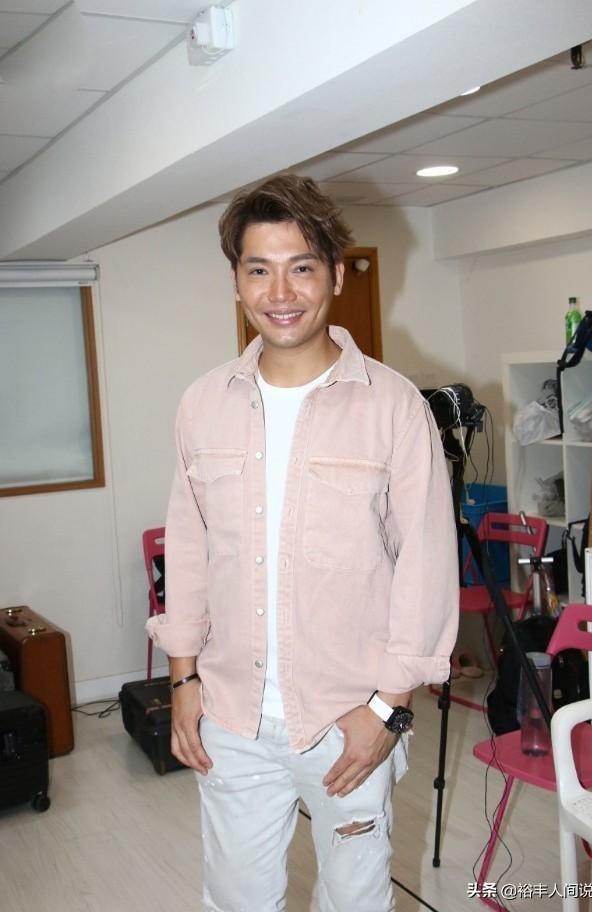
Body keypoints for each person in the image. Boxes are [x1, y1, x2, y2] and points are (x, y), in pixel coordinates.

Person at [147, 173, 459, 912]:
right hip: (231, 715)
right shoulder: (202, 404)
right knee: (236, 899)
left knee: (356, 899)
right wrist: (183, 683)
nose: (280, 293)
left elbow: (425, 569)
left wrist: (388, 710)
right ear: (236, 282)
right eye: (259, 269)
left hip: (349, 717)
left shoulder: (394, 407)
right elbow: (188, 553)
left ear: (336, 276)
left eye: (302, 267)